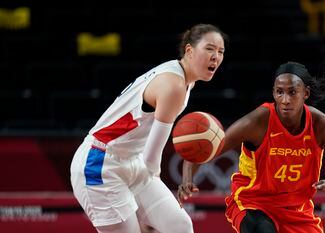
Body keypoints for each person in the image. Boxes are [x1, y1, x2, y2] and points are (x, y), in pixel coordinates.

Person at [70, 23, 228, 233]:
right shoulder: (173, 85)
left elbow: (148, 158)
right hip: (99, 164)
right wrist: (153, 181)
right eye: (209, 49)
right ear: (189, 50)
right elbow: (152, 157)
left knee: (179, 226)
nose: (215, 56)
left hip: (132, 161)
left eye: (220, 52)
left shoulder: (183, 79)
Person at [178, 61, 325, 233]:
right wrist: (187, 177)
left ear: (305, 93)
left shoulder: (324, 126)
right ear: (273, 93)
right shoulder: (258, 121)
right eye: (279, 92)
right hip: (253, 203)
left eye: (292, 92)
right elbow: (205, 148)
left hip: (298, 211)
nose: (285, 99)